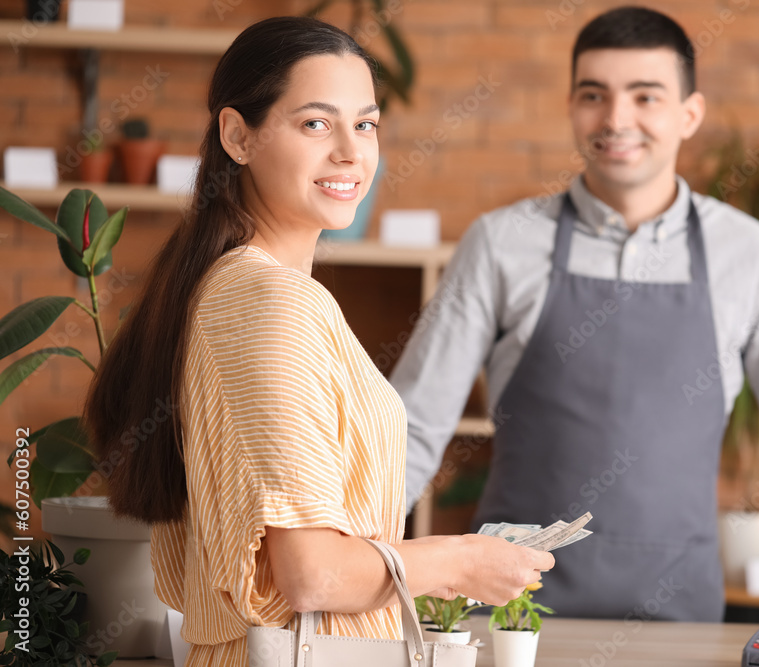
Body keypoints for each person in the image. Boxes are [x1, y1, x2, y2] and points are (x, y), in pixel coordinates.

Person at [391, 6, 759, 622]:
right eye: (593, 95)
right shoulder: (500, 243)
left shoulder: (752, 255)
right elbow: (411, 429)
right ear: (571, 107)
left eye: (645, 96)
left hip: (679, 626)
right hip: (511, 620)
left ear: (689, 115)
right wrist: (346, 562)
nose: (616, 119)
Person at [83, 16, 553, 665]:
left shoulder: (241, 287)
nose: (351, 153)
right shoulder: (271, 301)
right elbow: (311, 574)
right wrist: (462, 559)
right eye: (315, 123)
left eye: (365, 124)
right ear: (237, 136)